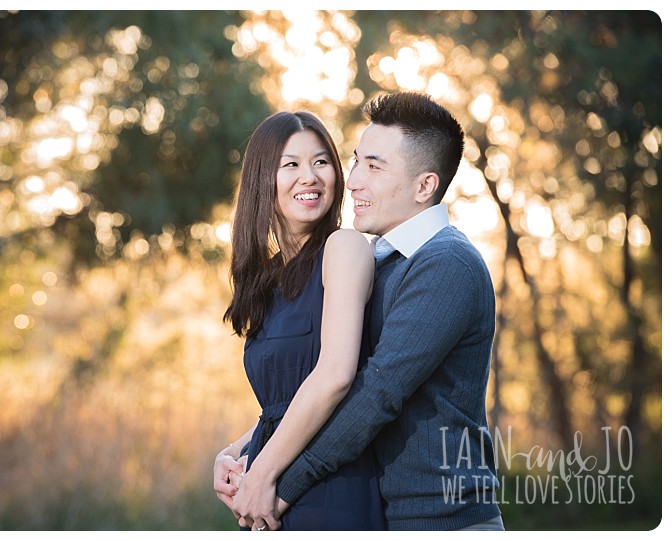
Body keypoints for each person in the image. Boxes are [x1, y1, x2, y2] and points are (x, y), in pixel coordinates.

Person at [225, 91, 504, 531]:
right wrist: (247, 452)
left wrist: (275, 484)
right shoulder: (385, 261)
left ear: (424, 186)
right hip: (394, 516)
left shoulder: (447, 264)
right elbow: (314, 385)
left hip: (443, 520)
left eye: (373, 167)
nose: (351, 180)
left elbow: (374, 394)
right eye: (355, 162)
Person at [213, 110, 386, 530]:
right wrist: (235, 452)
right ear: (262, 180)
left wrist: (262, 472)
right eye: (290, 164)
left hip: (331, 489)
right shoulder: (266, 281)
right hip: (271, 492)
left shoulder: (344, 248)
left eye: (321, 161)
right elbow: (281, 404)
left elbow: (335, 376)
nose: (309, 176)